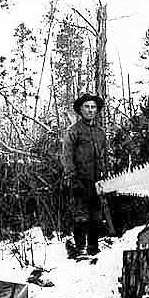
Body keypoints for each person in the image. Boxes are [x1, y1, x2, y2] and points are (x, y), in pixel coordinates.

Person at [62, 94, 108, 256]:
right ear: (80, 110)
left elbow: (104, 156)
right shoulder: (73, 132)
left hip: (97, 180)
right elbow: (66, 155)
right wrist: (72, 176)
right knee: (81, 215)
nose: (90, 110)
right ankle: (79, 248)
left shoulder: (100, 133)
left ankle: (93, 248)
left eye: (93, 107)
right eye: (87, 107)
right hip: (79, 180)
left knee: (96, 215)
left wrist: (106, 175)